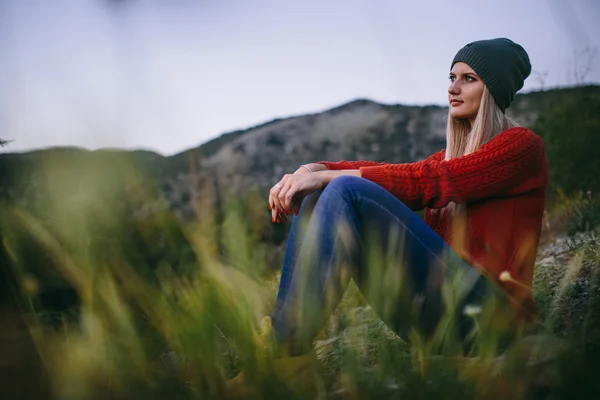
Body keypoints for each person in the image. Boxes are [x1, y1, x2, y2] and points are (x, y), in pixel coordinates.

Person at [227, 38, 548, 397]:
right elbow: (396, 170)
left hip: (491, 317)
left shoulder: (522, 146)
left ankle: (282, 353)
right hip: (439, 313)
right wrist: (314, 169)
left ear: (493, 88)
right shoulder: (450, 157)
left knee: (344, 190)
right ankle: (289, 356)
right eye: (451, 77)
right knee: (320, 192)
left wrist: (326, 176)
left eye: (468, 78)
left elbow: (424, 182)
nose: (452, 88)